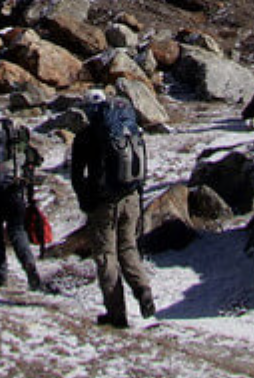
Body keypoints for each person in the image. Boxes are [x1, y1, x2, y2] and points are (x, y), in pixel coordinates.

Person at [70, 89, 156, 328]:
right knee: (128, 247)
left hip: (104, 204)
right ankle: (143, 289)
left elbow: (77, 176)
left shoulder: (85, 137)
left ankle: (116, 314)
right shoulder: (127, 127)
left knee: (106, 256)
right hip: (131, 197)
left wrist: (86, 200)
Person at [0, 106, 45, 292]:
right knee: (17, 231)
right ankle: (30, 266)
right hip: (16, 191)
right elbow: (33, 160)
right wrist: (30, 194)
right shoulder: (14, 135)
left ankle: (0, 275)